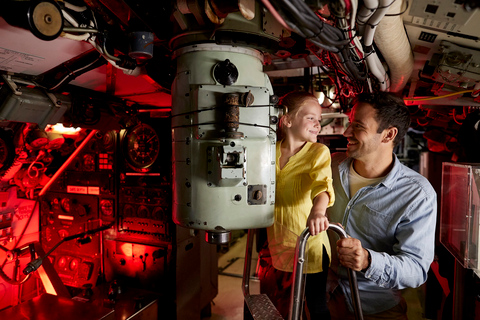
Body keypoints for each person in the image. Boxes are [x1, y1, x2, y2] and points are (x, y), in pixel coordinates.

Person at [326, 92, 437, 319]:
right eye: (349, 123)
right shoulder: (329, 166)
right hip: (322, 297)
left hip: (374, 308)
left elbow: (416, 270)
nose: (346, 132)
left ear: (388, 135)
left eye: (358, 126)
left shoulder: (417, 194)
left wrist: (368, 260)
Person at [264, 91, 335, 319]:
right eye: (311, 118)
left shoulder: (318, 152)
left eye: (319, 120)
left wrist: (318, 211)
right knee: (286, 305)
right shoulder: (268, 151)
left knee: (316, 307)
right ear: (288, 120)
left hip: (310, 244)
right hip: (278, 241)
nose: (317, 125)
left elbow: (322, 186)